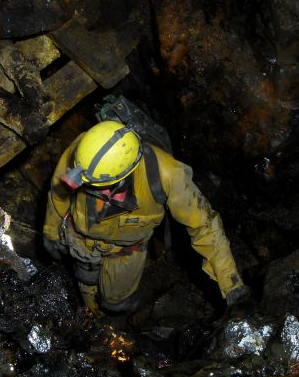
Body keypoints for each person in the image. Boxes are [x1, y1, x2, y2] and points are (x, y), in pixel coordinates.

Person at [42, 120, 249, 315]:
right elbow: (58, 191)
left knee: (115, 302)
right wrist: (51, 231)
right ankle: (94, 322)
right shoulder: (84, 151)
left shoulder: (168, 176)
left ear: (125, 175)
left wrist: (231, 285)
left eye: (99, 187)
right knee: (85, 284)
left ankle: (122, 310)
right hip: (81, 241)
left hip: (125, 251)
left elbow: (205, 226)